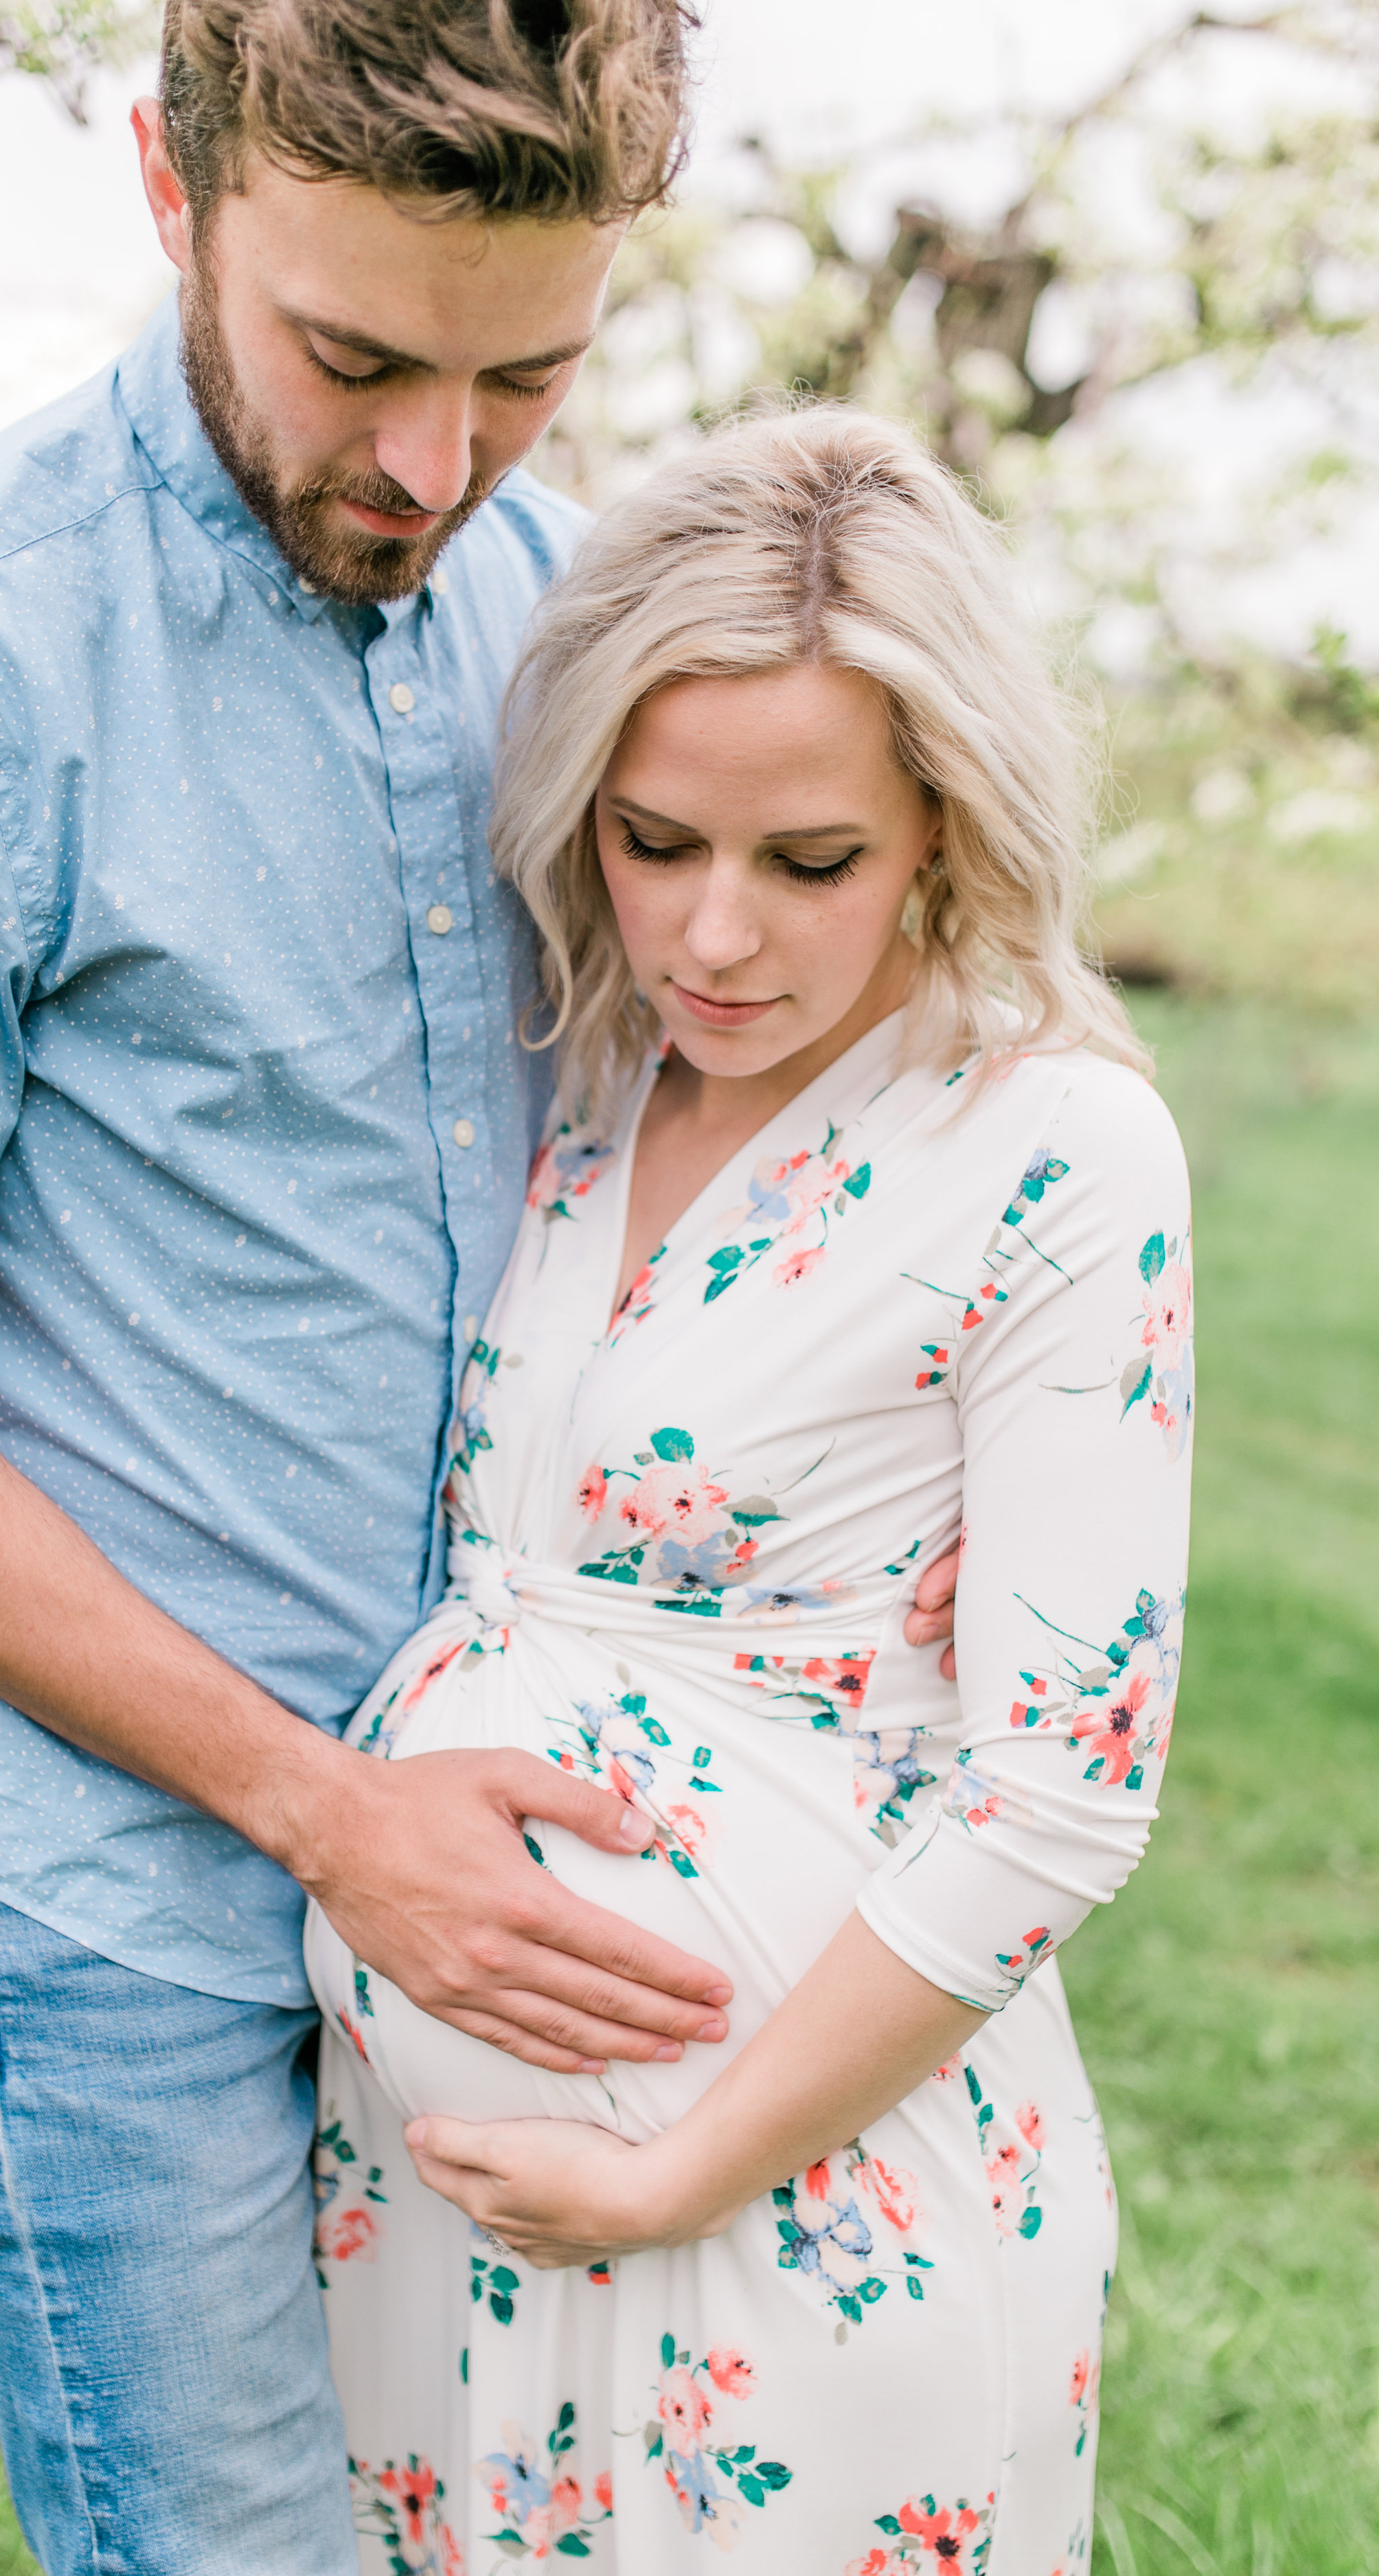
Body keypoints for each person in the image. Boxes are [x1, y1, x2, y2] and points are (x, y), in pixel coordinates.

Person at [0, 6, 968, 2567]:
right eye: (350, 358)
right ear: (173, 184)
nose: (429, 463)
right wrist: (319, 1813)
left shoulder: (551, 608)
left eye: (524, 372)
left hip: (494, 1860)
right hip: (98, 1893)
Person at [306, 405, 1194, 2573]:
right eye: (649, 839)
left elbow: (1061, 1784)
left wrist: (681, 2164)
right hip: (443, 2206)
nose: (711, 935)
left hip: (790, 2190)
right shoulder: (584, 1071)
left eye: (808, 863)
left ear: (941, 834)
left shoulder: (1050, 1146)